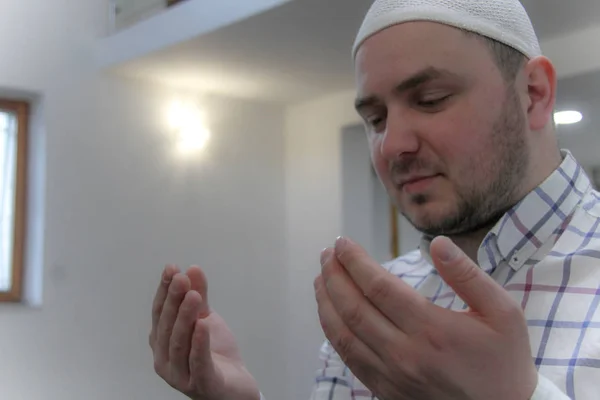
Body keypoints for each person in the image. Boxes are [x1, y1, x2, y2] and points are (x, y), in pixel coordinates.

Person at [148, 0, 600, 399]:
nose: (391, 145)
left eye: (431, 99)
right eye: (376, 118)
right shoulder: (377, 307)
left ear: (533, 93)